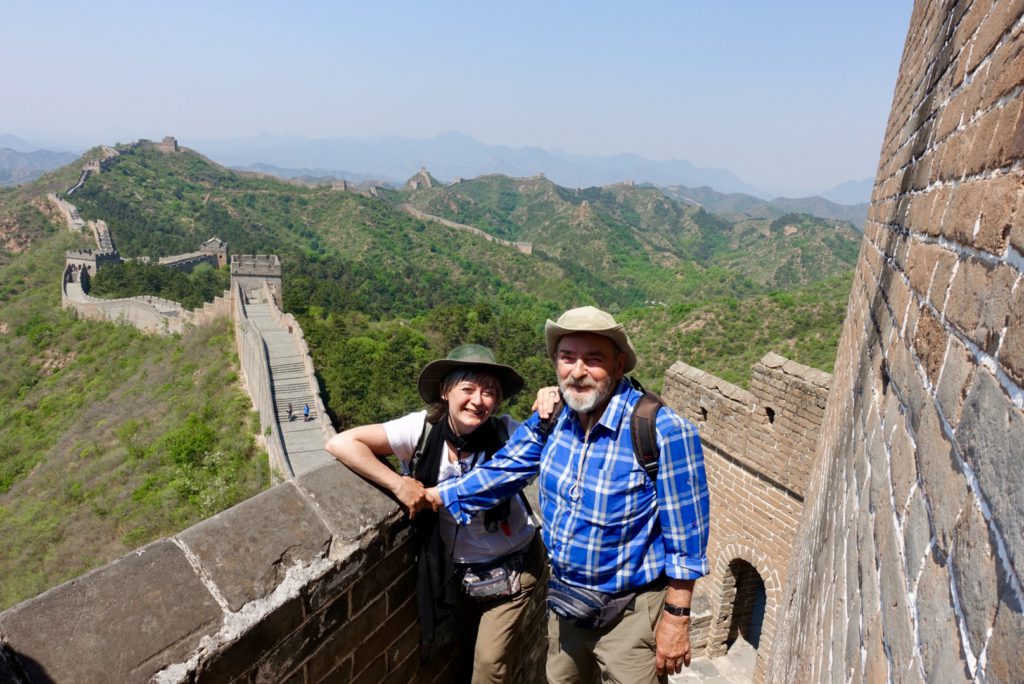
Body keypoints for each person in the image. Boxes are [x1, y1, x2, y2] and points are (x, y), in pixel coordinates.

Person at [428, 306, 710, 683]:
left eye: (593, 360)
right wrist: (437, 495)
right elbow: (503, 470)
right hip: (566, 607)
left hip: (631, 616)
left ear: (619, 364)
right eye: (567, 358)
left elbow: (686, 538)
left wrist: (676, 620)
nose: (577, 372)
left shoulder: (662, 431)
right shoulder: (554, 419)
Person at [325, 344, 551, 684]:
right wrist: (399, 484)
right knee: (467, 653)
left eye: (489, 392)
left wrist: (555, 401)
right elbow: (341, 443)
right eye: (469, 389)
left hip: (514, 570)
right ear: (445, 392)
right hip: (458, 575)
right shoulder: (421, 431)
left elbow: (557, 446)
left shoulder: (507, 434)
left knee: (490, 667)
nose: (479, 400)